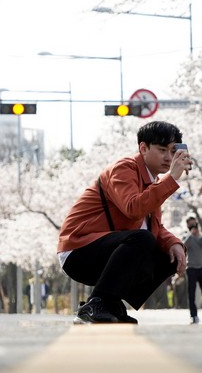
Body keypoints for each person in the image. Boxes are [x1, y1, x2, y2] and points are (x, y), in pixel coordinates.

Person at [57, 120, 190, 324]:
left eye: (172, 151)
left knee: (167, 254)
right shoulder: (124, 169)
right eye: (162, 149)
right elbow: (133, 208)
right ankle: (96, 304)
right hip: (79, 250)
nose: (168, 157)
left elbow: (153, 226)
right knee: (142, 240)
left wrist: (174, 243)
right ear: (143, 148)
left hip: (105, 250)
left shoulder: (152, 182)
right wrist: (171, 179)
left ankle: (111, 303)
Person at [183, 216, 202, 324]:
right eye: (190, 225)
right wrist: (191, 235)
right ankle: (194, 316)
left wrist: (198, 235)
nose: (193, 226)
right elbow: (183, 247)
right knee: (191, 293)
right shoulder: (187, 237)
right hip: (191, 268)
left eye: (194, 224)